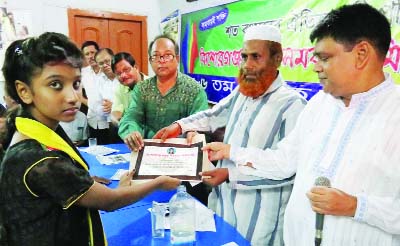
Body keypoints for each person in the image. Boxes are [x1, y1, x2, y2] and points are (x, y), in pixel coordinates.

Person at [201, 4, 399, 246]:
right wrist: (233, 152)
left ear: (361, 54)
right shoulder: (319, 104)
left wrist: (357, 206)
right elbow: (284, 162)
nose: (315, 66)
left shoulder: (395, 112)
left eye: (325, 58)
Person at [0, 32, 180, 245]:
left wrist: (85, 182)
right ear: (24, 91)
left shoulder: (37, 129)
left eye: (76, 84)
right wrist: (158, 182)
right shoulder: (39, 159)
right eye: (56, 84)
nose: (73, 97)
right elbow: (109, 202)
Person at [154, 25, 306, 245]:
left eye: (256, 57)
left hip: (260, 216)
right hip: (224, 201)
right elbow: (212, 114)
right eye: (244, 57)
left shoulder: (292, 106)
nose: (247, 65)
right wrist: (179, 126)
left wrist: (231, 173)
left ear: (277, 58)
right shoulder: (243, 93)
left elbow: (289, 169)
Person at [118, 34, 208, 152]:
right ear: (150, 61)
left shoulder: (194, 90)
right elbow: (130, 118)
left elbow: (201, 121)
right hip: (147, 152)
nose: (161, 61)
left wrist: (194, 131)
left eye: (167, 55)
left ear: (177, 58)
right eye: (156, 56)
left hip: (182, 155)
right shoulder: (142, 89)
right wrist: (132, 132)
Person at [87, 48, 119, 144]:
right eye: (101, 63)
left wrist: (114, 106)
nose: (105, 65)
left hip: (129, 123)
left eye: (107, 61)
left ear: (114, 59)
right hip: (110, 125)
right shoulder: (99, 81)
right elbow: (94, 105)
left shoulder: (124, 76)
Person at [110, 52, 148, 125]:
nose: (123, 75)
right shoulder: (120, 89)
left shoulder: (154, 85)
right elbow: (115, 113)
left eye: (126, 70)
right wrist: (123, 125)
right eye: (118, 73)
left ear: (136, 68)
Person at [80, 40, 101, 115]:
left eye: (93, 52)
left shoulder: (109, 72)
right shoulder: (82, 73)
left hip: (110, 119)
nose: (90, 56)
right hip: (91, 119)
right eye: (87, 54)